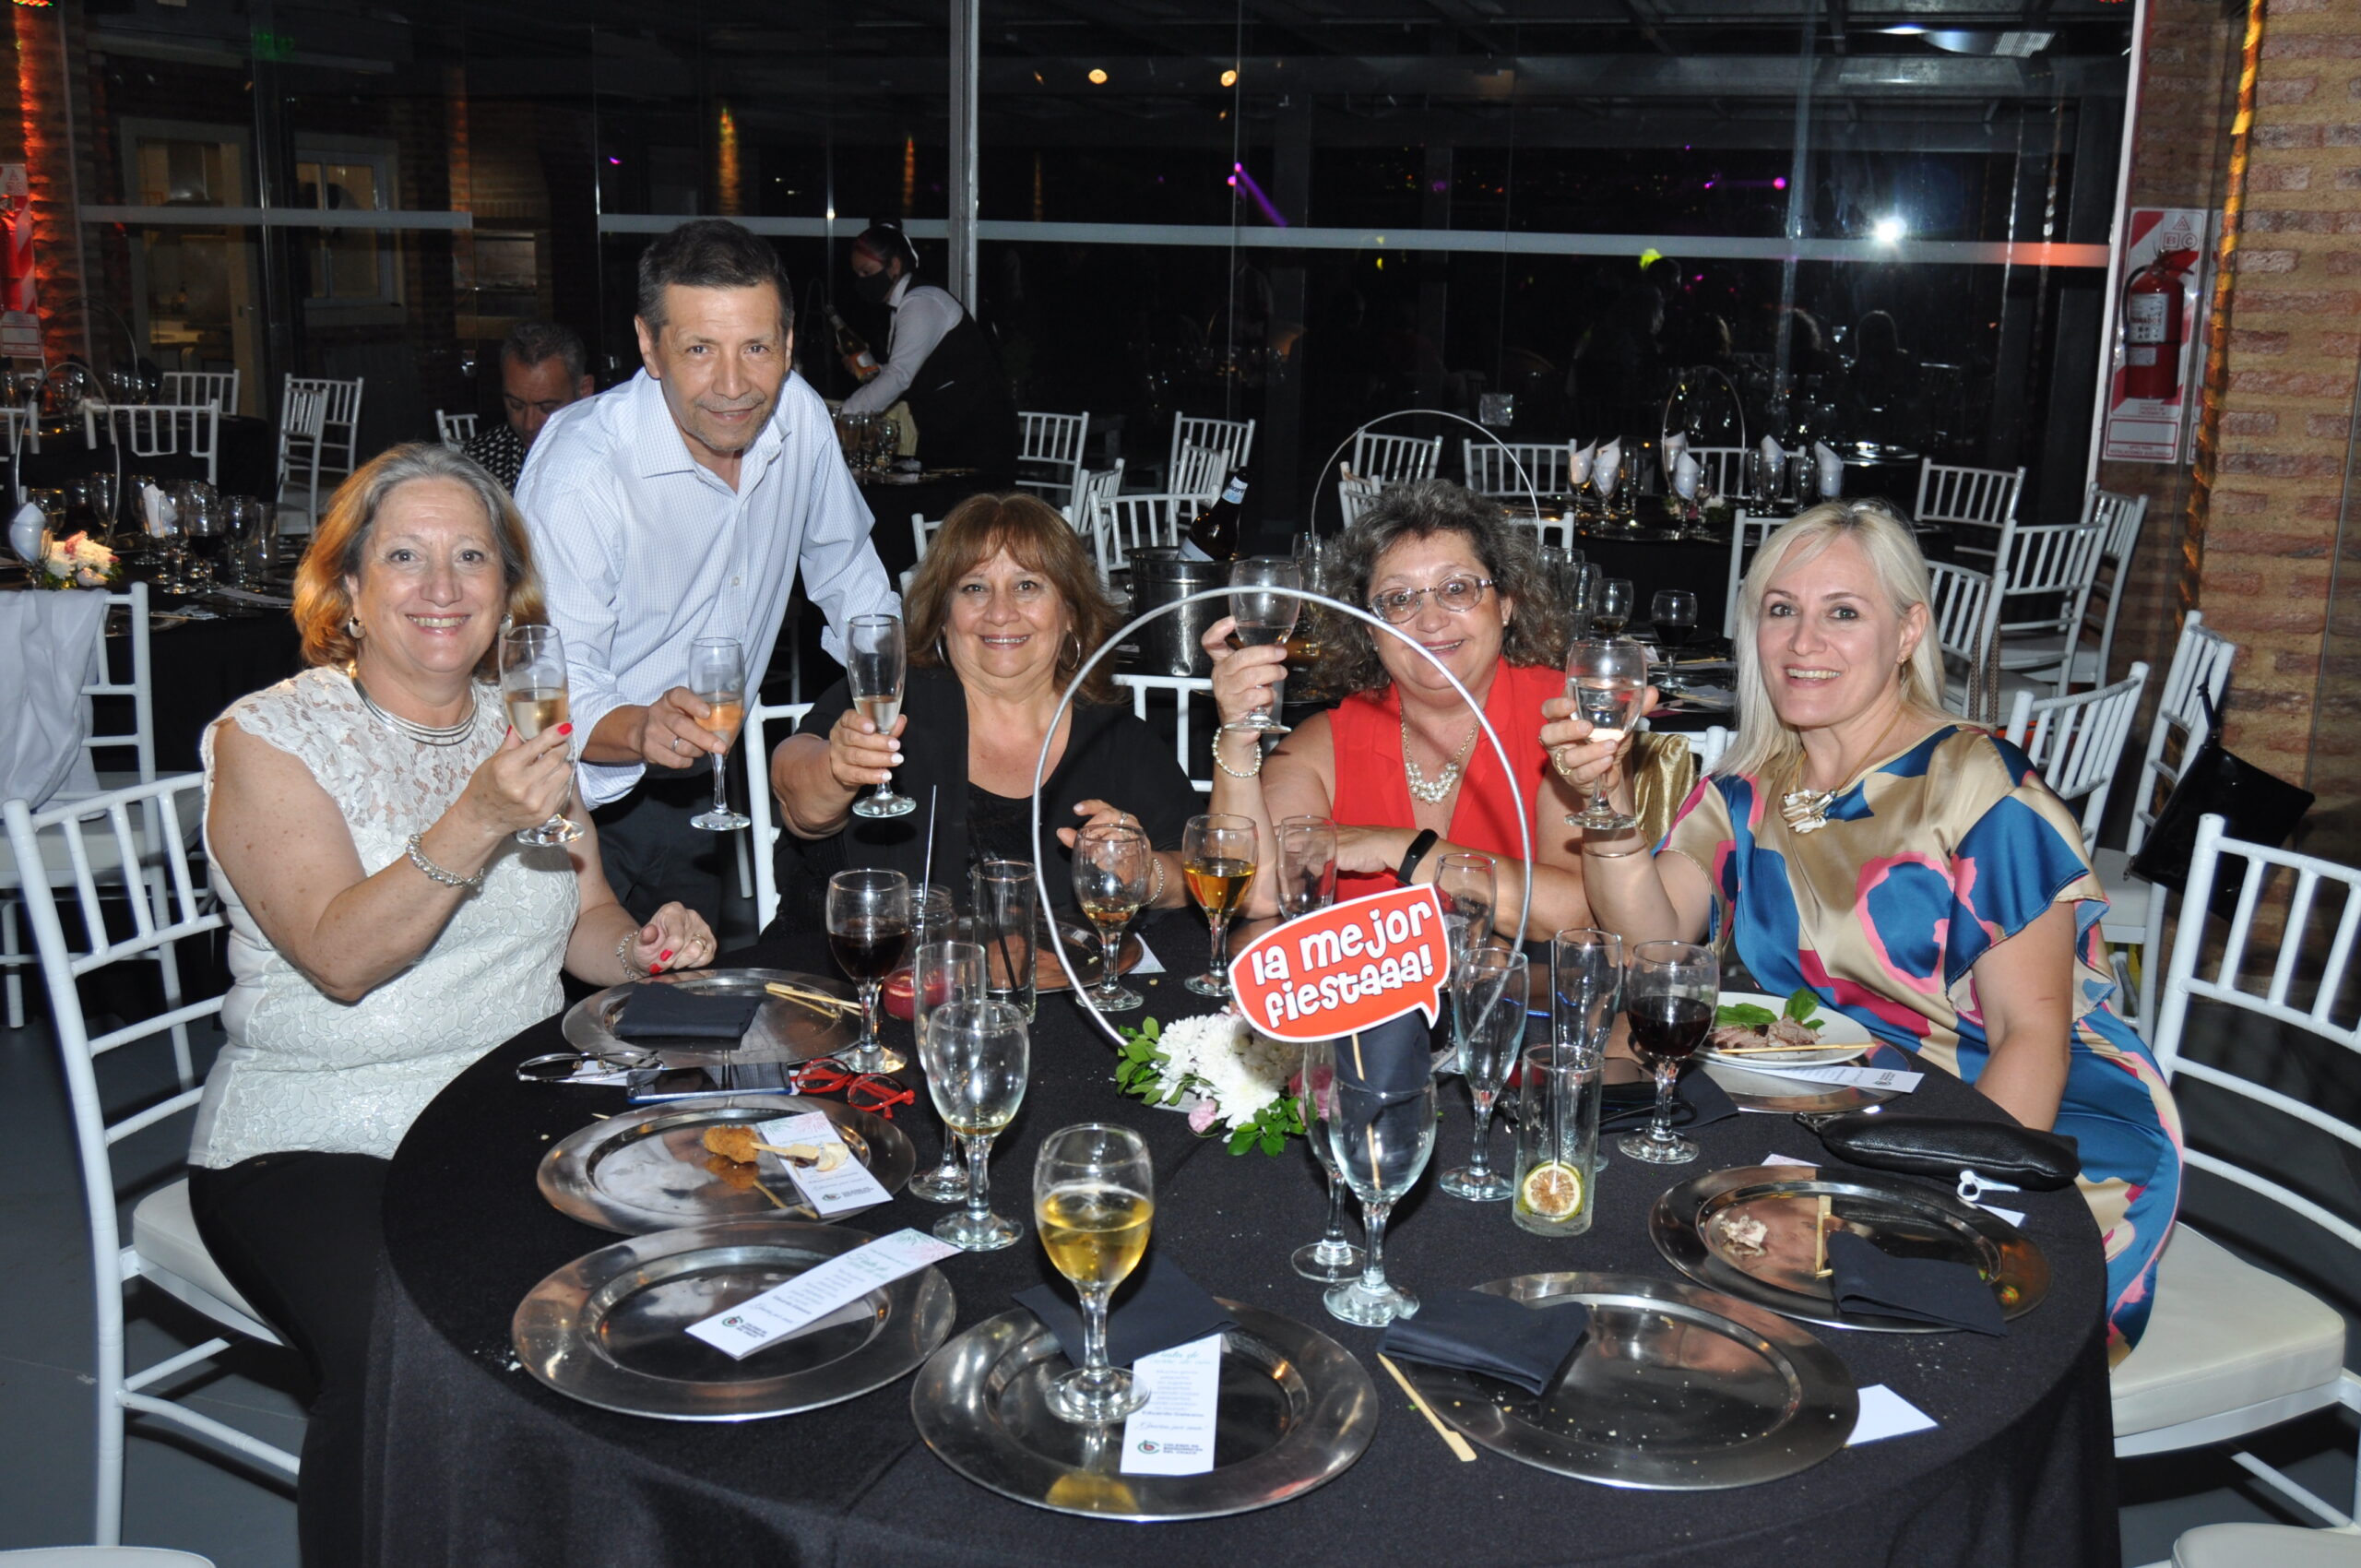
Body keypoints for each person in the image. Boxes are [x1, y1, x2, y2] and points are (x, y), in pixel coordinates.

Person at [194, 443, 715, 1565]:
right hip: (315, 1131)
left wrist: (642, 947)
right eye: (405, 557)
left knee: (695, 1267)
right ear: (347, 586)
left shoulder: (524, 728)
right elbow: (340, 957)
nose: (442, 586)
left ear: (506, 590)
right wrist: (474, 819)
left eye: (471, 556)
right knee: (406, 1346)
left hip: (502, 1112)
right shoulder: (268, 738)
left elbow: (584, 920)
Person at [1546, 500, 2181, 1360]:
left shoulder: (1977, 785)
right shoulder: (1749, 788)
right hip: (1850, 1107)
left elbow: (2033, 1036)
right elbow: (1651, 942)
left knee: (1877, 1330)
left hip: (2033, 1127)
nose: (1803, 642)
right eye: (1782, 610)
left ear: (1908, 631)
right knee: (1666, 1259)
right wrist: (1608, 802)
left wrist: (1930, 1222)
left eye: (1843, 612)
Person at [516, 218, 899, 928]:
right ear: (649, 346)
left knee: (687, 985)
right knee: (571, 988)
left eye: (756, 348)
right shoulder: (583, 472)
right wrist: (642, 728)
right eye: (699, 349)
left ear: (788, 344)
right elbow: (554, 683)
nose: (733, 385)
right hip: (570, 801)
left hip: (705, 793)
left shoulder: (799, 418)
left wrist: (899, 694)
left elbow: (849, 573)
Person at [769, 491, 1197, 926]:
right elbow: (800, 801)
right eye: (975, 588)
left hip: (1054, 968)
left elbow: (1195, 868)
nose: (1000, 613)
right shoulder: (892, 700)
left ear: (1070, 612)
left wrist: (1145, 873)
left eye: (1026, 586)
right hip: (854, 959)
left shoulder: (1115, 737)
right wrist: (837, 770)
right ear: (943, 616)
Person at [1202, 479, 1596, 929]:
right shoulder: (1328, 744)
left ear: (1505, 604)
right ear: (1370, 629)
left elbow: (1571, 914)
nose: (1431, 620)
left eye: (1457, 588)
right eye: (1398, 599)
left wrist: (1400, 849)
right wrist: (1236, 737)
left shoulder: (1563, 719)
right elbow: (1257, 894)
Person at [838, 220, 1019, 485]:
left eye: (867, 272)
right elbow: (915, 370)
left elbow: (900, 376)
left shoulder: (921, 303)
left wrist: (846, 415)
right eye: (858, 275)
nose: (862, 282)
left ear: (895, 266)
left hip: (977, 432)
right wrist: (873, 370)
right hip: (951, 431)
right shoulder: (908, 304)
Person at [462, 320, 596, 489]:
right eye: (516, 405)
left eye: (546, 408)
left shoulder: (613, 454)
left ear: (584, 390)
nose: (529, 424)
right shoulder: (483, 458)